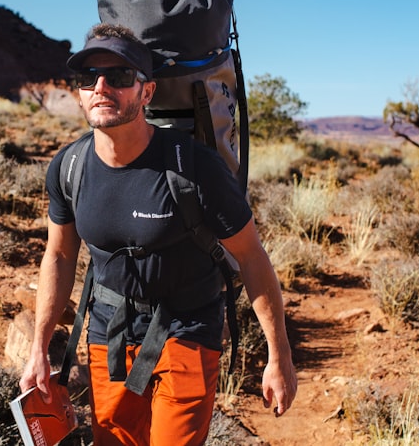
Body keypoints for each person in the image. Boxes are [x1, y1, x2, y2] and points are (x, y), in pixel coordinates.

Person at [20, 23, 297, 445]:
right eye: (87, 78)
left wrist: (279, 358)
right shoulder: (69, 167)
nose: (101, 87)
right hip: (108, 331)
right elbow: (58, 256)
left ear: (147, 92)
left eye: (119, 77)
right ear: (77, 92)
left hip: (187, 328)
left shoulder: (194, 167)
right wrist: (38, 347)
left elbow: (252, 257)